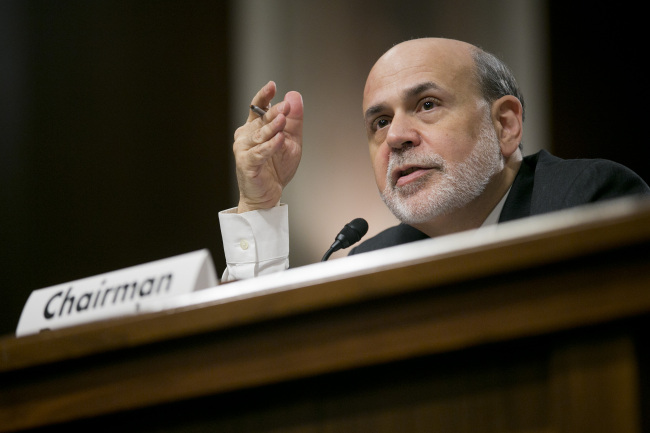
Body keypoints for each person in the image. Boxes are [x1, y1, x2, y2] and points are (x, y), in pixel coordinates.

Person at [218, 37, 650, 280]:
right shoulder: (368, 266)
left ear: (505, 125)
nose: (397, 138)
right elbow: (260, 361)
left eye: (427, 105)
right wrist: (258, 204)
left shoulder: (590, 203)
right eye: (381, 121)